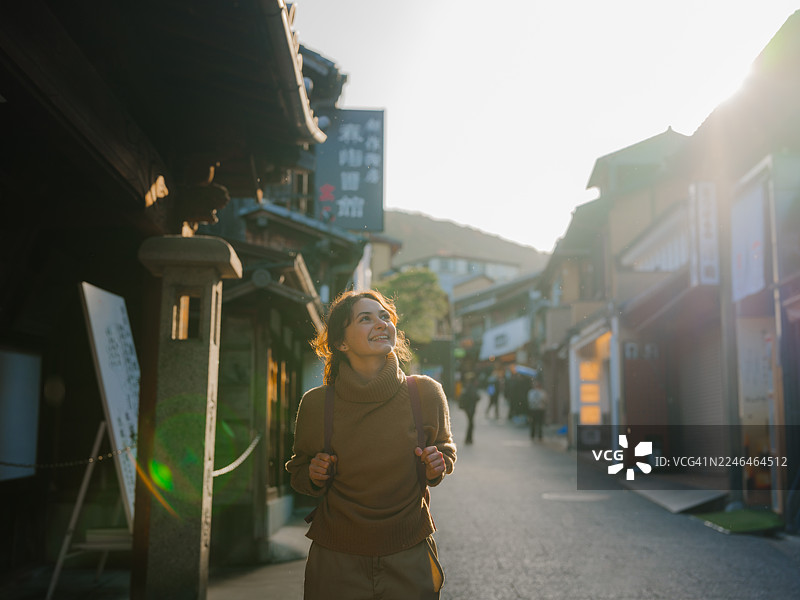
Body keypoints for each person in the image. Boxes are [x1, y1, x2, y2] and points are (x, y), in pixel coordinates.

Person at [285, 290, 457, 599]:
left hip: (410, 553)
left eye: (385, 317)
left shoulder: (426, 394)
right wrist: (314, 473)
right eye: (366, 318)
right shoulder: (316, 404)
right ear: (341, 342)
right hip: (336, 558)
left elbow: (445, 452)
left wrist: (436, 465)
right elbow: (298, 473)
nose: (381, 323)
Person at [458, 373, 480, 444]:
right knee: (471, 424)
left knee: (470, 423)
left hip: (468, 408)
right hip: (470, 408)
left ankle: (469, 438)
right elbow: (475, 397)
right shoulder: (471, 387)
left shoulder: (468, 387)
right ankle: (468, 439)